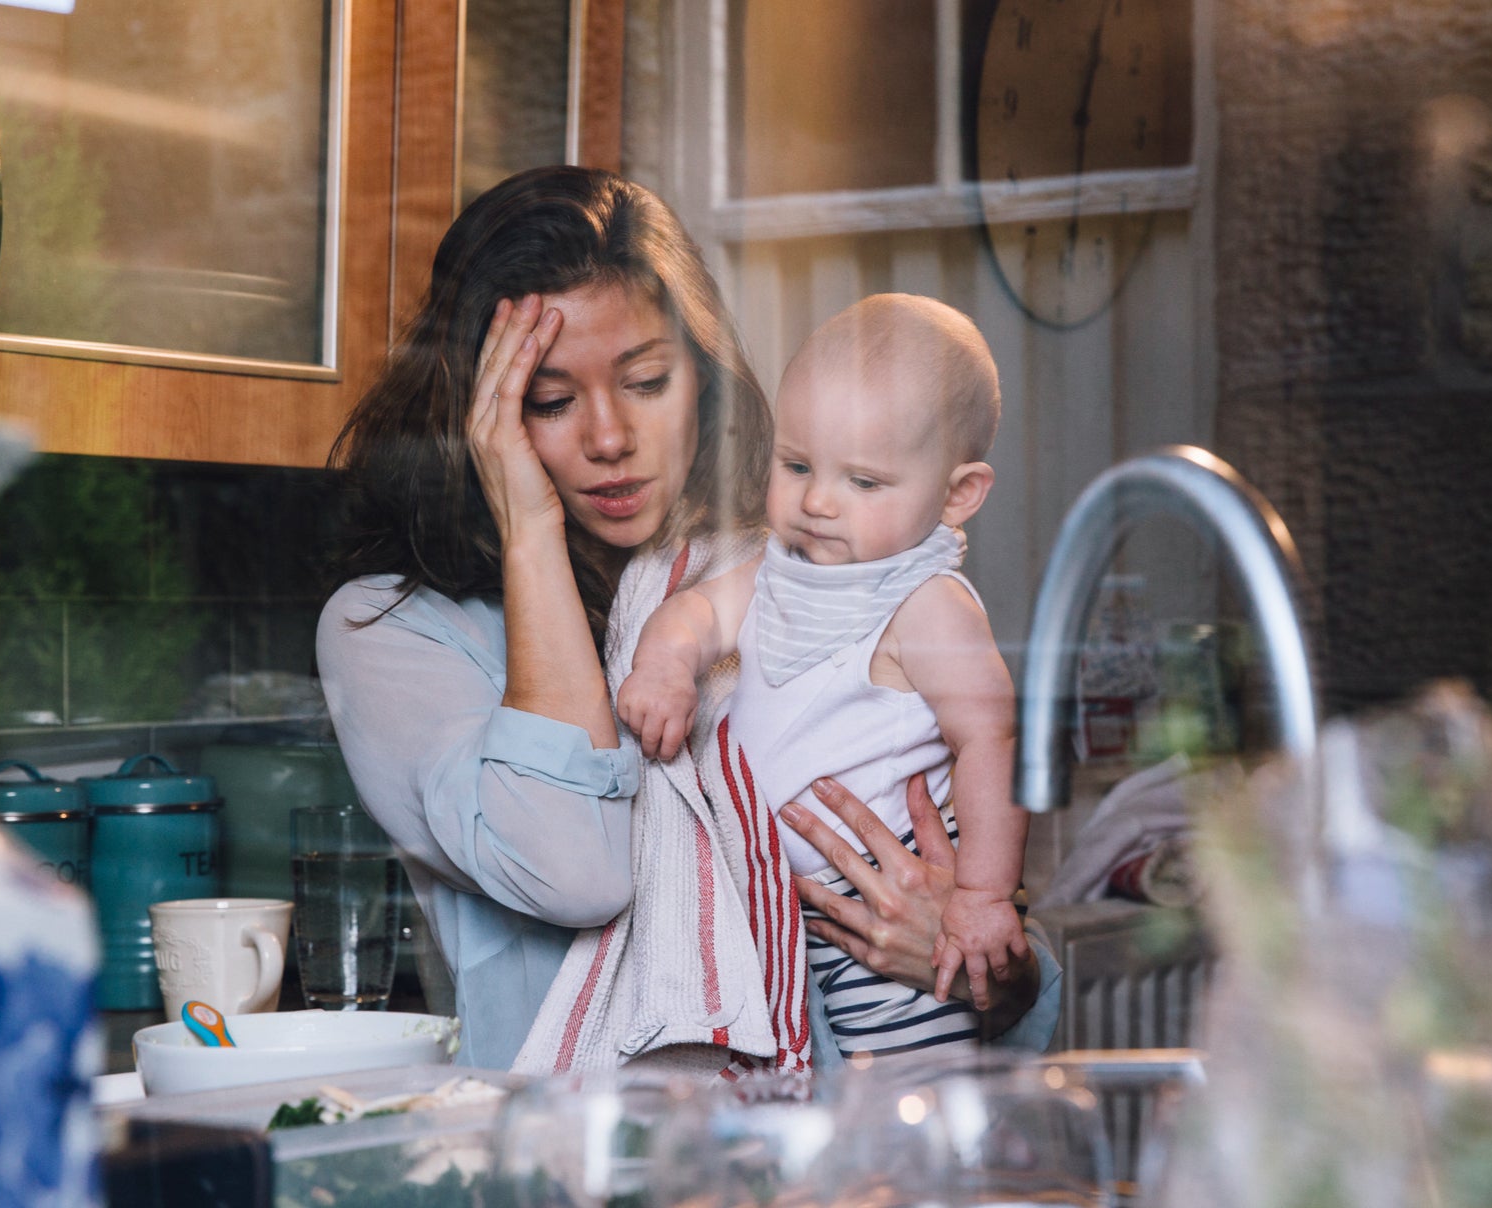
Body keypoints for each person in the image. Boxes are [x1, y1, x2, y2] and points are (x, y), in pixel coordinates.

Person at [317, 167, 1054, 1070]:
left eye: (647, 381)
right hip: (577, 1165)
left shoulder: (792, 574)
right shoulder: (394, 632)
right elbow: (576, 870)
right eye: (547, 401)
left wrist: (979, 961)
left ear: (701, 384)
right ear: (477, 415)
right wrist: (530, 528)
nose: (608, 438)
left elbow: (1008, 966)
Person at [617, 294, 1032, 1061]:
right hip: (787, 912)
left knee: (908, 1099)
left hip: (886, 898)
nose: (815, 501)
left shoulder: (925, 603)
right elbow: (698, 614)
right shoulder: (779, 573)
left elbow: (993, 742)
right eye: (797, 465)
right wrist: (665, 665)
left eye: (864, 482)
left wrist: (979, 897)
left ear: (956, 494)